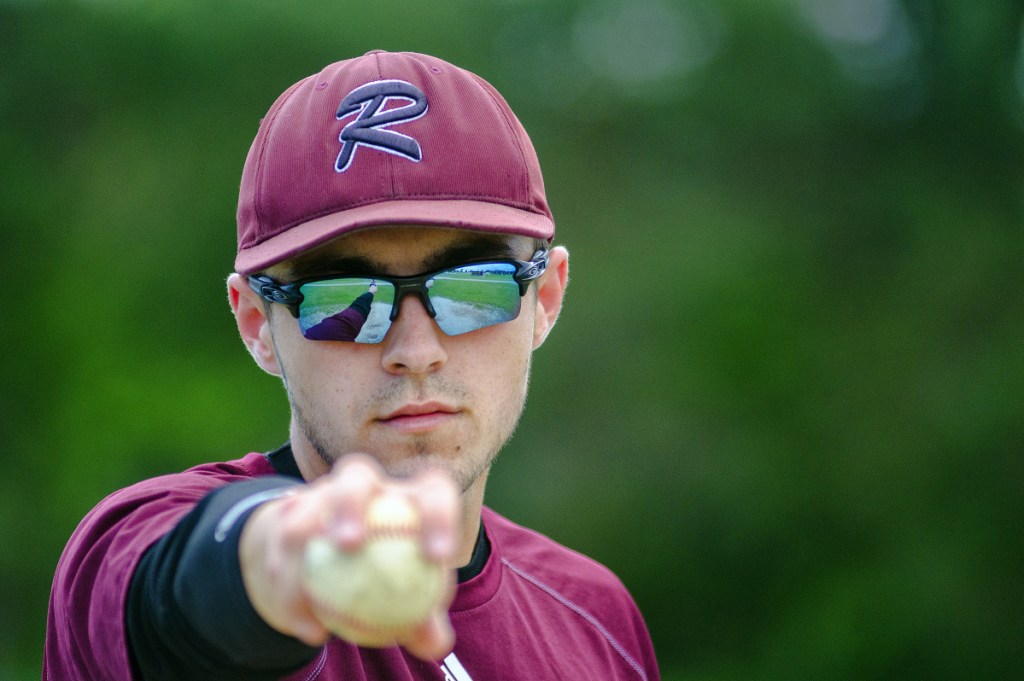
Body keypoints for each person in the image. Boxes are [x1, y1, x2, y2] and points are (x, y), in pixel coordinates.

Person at [44, 50, 660, 681]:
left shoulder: (598, 619)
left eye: (476, 287)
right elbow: (171, 592)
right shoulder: (126, 548)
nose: (415, 351)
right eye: (342, 300)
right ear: (257, 323)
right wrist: (280, 560)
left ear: (545, 299)